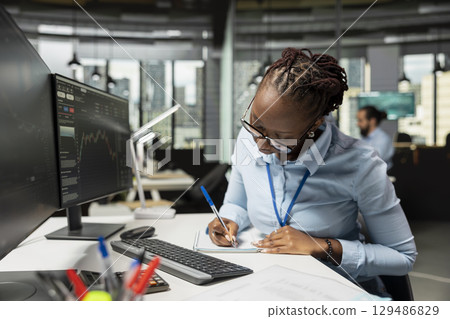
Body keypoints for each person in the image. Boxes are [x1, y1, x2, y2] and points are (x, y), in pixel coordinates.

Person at [208, 48, 417, 297]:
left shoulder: (360, 162)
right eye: (256, 124)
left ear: (314, 125)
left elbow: (402, 257)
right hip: (268, 282)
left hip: (339, 291)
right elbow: (236, 202)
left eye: (279, 138)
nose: (261, 146)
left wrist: (322, 246)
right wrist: (229, 219)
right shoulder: (248, 138)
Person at [356, 106, 394, 170]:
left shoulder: (382, 139)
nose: (357, 124)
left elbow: (372, 161)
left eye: (360, 120)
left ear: (372, 121)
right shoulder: (364, 138)